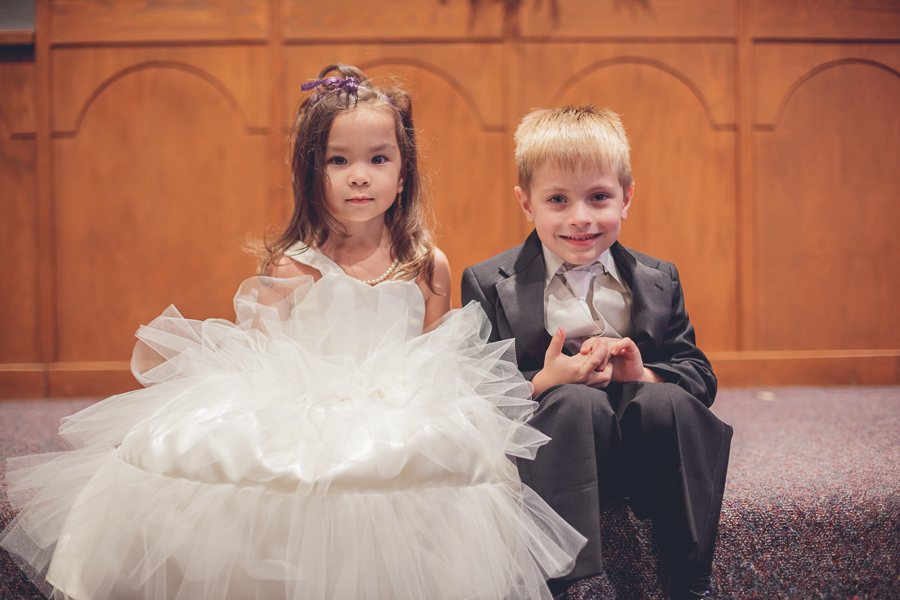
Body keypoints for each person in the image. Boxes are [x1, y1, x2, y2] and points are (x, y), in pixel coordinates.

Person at [0, 65, 585, 600]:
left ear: (403, 170)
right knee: (242, 465)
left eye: (379, 159)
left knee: (443, 464)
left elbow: (441, 360)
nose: (360, 177)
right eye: (338, 161)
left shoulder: (427, 264)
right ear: (312, 174)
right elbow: (258, 365)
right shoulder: (292, 266)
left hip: (401, 407)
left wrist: (510, 392)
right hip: (303, 407)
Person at [461, 105, 733, 600]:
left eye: (599, 197)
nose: (580, 218)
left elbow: (699, 376)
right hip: (557, 459)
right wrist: (546, 382)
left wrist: (645, 374)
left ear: (627, 198)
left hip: (646, 457)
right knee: (574, 402)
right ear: (527, 205)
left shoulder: (657, 278)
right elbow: (476, 390)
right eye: (558, 200)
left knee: (668, 401)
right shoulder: (486, 281)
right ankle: (570, 583)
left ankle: (691, 579)